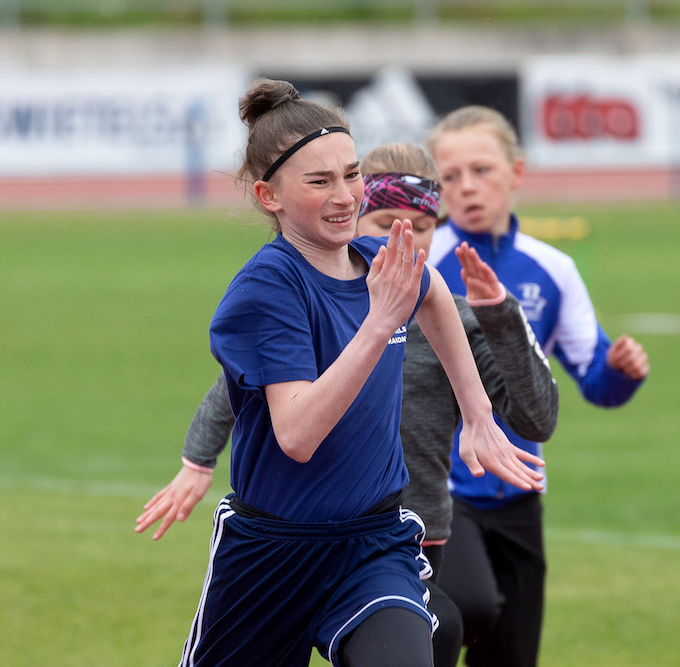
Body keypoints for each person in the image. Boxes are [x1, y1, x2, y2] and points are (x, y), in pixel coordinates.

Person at [155, 80, 545, 667]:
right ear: (269, 195)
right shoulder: (267, 289)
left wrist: (478, 414)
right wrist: (378, 323)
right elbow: (297, 434)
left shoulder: (376, 261)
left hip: (372, 546)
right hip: (270, 555)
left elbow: (433, 293)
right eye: (319, 182)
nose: (345, 197)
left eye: (352, 174)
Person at [425, 105, 650, 667]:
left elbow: (596, 383)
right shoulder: (425, 261)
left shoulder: (554, 269)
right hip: (442, 487)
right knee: (469, 607)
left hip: (521, 487)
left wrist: (621, 371)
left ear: (516, 172)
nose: (466, 186)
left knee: (513, 655)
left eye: (482, 170)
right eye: (451, 176)